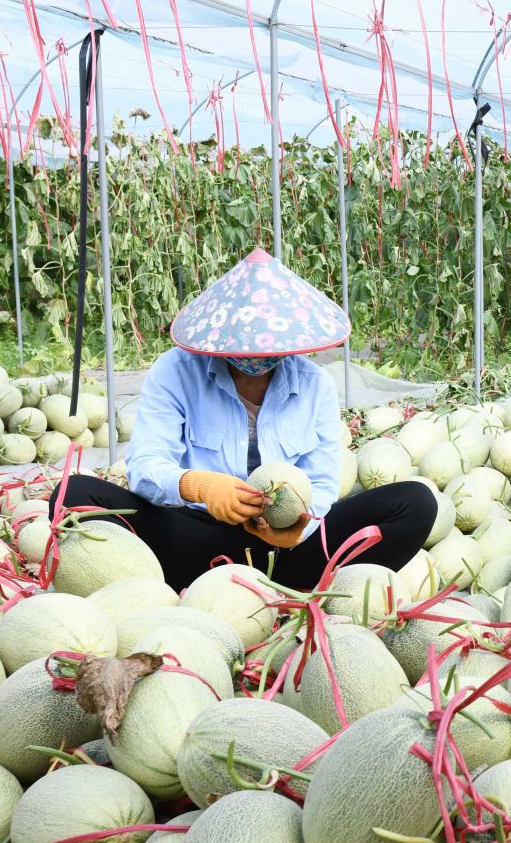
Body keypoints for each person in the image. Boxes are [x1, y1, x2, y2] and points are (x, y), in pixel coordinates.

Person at [53, 248, 436, 591]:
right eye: (244, 341)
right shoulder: (175, 372)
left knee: (416, 502)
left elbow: (321, 483)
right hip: (196, 537)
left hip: (288, 549)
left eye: (265, 344)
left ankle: (273, 584)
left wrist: (299, 529)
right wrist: (197, 486)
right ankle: (226, 588)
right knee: (73, 496)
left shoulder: (314, 383)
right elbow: (145, 466)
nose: (255, 356)